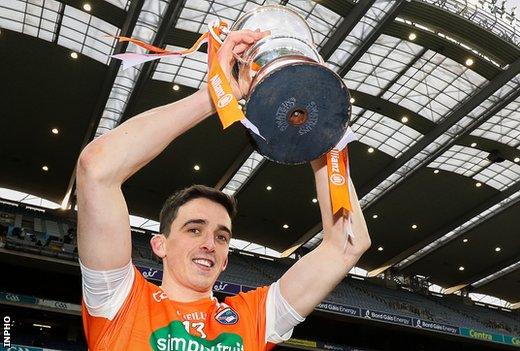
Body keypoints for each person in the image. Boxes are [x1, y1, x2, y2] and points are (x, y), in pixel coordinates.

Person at [76, 29, 371, 350]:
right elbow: (97, 167)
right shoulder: (120, 300)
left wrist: (321, 135)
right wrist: (218, 95)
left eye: (221, 236)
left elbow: (347, 246)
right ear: (160, 244)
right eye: (193, 229)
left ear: (226, 259)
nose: (209, 245)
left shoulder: (254, 318)